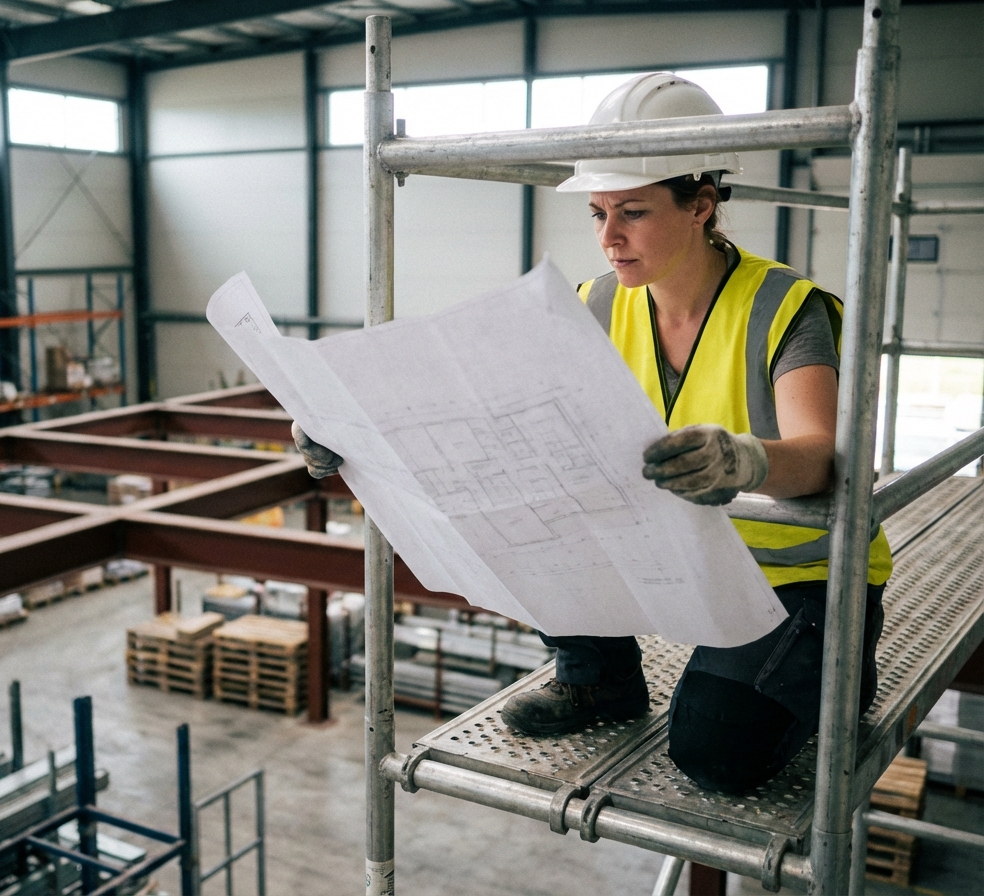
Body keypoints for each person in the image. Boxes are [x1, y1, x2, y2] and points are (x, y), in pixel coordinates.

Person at [293, 72, 891, 795]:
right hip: (684, 552)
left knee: (714, 754)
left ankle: (836, 666)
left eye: (633, 212)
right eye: (599, 213)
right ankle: (599, 676)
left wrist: (742, 460)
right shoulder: (596, 304)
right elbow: (477, 415)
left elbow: (818, 461)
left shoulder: (784, 308)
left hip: (796, 576)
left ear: (701, 205)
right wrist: (352, 431)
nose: (609, 237)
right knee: (522, 492)